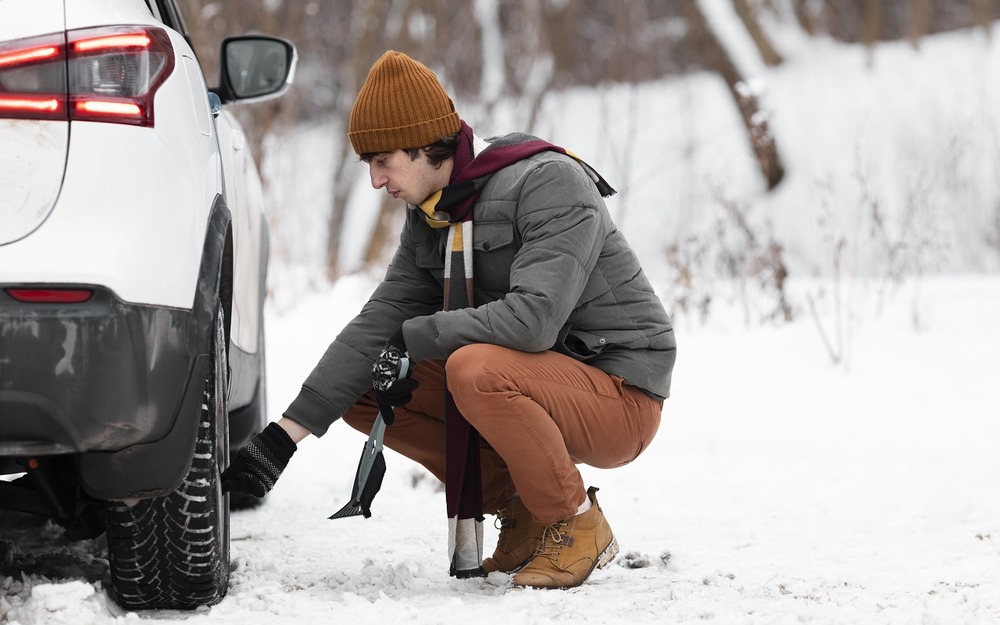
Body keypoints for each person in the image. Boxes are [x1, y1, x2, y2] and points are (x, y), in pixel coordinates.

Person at [222, 50, 677, 590]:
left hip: (620, 392)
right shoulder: (435, 212)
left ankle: (575, 522)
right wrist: (283, 437)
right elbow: (382, 320)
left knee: (474, 368)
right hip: (540, 378)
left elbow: (533, 321)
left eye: (382, 160)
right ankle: (523, 510)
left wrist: (418, 336)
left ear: (422, 144)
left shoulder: (548, 182)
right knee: (372, 387)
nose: (374, 180)